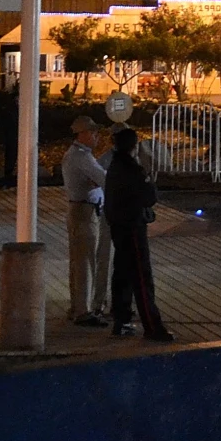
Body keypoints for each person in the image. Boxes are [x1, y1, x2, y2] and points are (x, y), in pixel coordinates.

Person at [103, 126, 172, 342]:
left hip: (118, 226)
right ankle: (152, 326)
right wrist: (148, 177)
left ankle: (121, 320)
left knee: (122, 273)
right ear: (134, 147)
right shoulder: (133, 170)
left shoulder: (115, 166)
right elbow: (149, 197)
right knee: (141, 277)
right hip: (132, 227)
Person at [61, 116, 113, 327]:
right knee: (85, 262)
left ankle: (77, 307)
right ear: (81, 134)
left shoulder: (79, 155)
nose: (96, 137)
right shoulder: (81, 157)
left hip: (81, 209)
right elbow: (103, 179)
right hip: (84, 211)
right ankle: (83, 311)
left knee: (79, 261)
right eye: (92, 133)